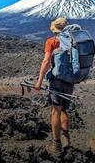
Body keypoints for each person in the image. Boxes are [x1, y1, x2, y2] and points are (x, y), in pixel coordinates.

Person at [34, 17, 74, 156]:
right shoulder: (73, 42)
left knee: (55, 111)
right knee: (64, 110)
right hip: (70, 81)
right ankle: (66, 138)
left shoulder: (52, 41)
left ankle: (56, 144)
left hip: (56, 81)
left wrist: (39, 81)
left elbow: (46, 61)